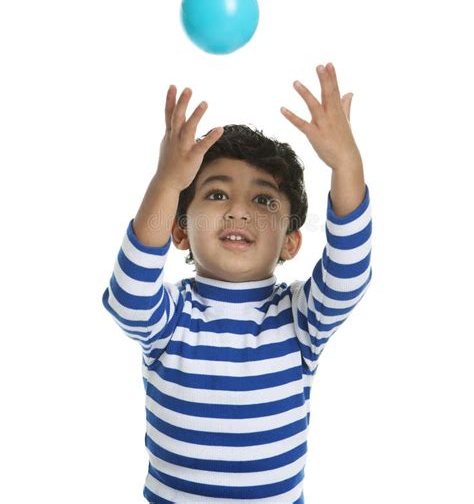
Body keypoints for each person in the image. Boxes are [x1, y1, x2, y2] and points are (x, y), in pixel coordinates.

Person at [102, 62, 373, 503]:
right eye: (216, 193)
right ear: (180, 231)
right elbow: (128, 295)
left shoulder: (299, 319)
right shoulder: (171, 315)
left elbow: (349, 272)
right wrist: (167, 181)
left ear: (290, 242)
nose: (238, 210)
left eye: (263, 199)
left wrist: (346, 165)